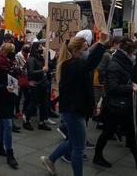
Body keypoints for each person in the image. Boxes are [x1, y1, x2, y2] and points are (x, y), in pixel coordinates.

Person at [40, 33, 108, 176]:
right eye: (85, 49)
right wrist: (101, 43)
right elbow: (91, 63)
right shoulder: (74, 65)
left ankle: (50, 159)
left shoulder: (71, 63)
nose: (87, 52)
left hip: (75, 110)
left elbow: (89, 62)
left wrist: (99, 45)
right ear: (76, 51)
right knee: (78, 147)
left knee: (73, 142)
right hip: (74, 111)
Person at [93, 38, 137, 170]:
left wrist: (130, 84)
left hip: (122, 106)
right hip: (115, 107)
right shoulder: (115, 65)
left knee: (131, 134)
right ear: (127, 53)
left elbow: (121, 82)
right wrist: (130, 88)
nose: (134, 56)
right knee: (107, 133)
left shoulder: (122, 63)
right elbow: (113, 87)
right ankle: (97, 157)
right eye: (133, 53)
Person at [0, 43, 19, 169]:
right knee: (8, 124)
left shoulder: (10, 62)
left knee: (3, 124)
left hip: (10, 97)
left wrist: (16, 71)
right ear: (6, 52)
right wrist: (5, 87)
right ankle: (10, 153)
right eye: (12, 51)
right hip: (1, 98)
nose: (14, 53)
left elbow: (12, 77)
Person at [23, 41, 51, 131]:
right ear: (35, 48)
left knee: (44, 104)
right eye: (40, 47)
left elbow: (46, 68)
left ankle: (42, 122)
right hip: (35, 84)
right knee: (33, 104)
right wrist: (42, 70)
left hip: (43, 84)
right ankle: (27, 120)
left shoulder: (41, 58)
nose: (41, 49)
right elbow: (31, 73)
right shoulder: (31, 59)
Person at [15, 44, 30, 118]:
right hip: (20, 78)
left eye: (27, 53)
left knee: (27, 96)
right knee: (18, 96)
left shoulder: (29, 55)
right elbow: (16, 66)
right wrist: (22, 68)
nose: (26, 54)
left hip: (27, 78)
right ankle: (17, 111)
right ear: (22, 50)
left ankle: (24, 111)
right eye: (25, 53)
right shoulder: (17, 56)